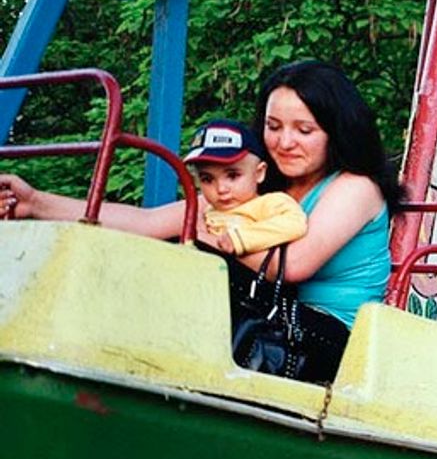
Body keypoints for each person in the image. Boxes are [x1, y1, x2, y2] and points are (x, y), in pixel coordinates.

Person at [0, 60, 403, 383]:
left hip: (331, 341)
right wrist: (34, 203)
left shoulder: (355, 187)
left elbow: (292, 264)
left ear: (336, 131)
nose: (284, 142)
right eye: (274, 127)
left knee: (211, 260)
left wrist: (207, 231)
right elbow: (150, 221)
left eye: (304, 130)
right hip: (273, 321)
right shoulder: (262, 183)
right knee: (168, 246)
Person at [182, 118, 307, 254]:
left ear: (259, 173)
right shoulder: (207, 213)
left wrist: (242, 239)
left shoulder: (269, 203)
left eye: (232, 176)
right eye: (207, 179)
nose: (221, 189)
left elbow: (295, 223)